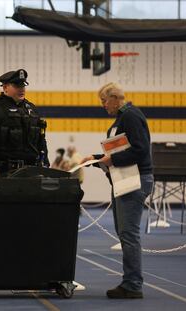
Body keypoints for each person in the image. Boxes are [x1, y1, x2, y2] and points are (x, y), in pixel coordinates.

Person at [80, 82, 153, 299]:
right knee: (125, 233)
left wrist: (111, 159)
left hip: (135, 180)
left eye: (104, 100)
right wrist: (94, 159)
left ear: (114, 97)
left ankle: (132, 284)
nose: (103, 105)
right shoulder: (122, 118)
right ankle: (130, 281)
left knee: (129, 234)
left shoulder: (130, 116)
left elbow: (140, 151)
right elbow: (120, 152)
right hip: (124, 180)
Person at [0, 69, 49, 177]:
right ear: (5, 87)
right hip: (5, 174)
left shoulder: (32, 109)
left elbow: (41, 140)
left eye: (23, 86)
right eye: (17, 86)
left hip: (32, 173)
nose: (21, 89)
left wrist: (45, 166)